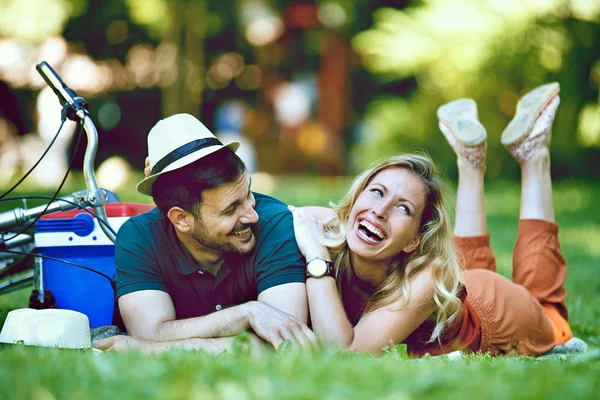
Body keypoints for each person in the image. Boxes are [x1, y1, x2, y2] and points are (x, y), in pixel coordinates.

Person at [288, 82, 580, 356]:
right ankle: (470, 160)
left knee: (548, 309)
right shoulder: (338, 224)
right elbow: (271, 213)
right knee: (462, 265)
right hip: (459, 283)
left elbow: (346, 353)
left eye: (403, 208)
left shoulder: (428, 277)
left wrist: (317, 260)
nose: (379, 210)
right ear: (354, 200)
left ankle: (534, 156)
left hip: (496, 310)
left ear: (416, 238)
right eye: (377, 192)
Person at [96, 113, 316, 354]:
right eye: (231, 209)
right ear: (181, 219)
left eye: (248, 195)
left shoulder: (273, 223)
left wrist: (153, 349)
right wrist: (247, 313)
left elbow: (284, 343)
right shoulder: (138, 237)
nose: (251, 215)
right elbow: (149, 332)